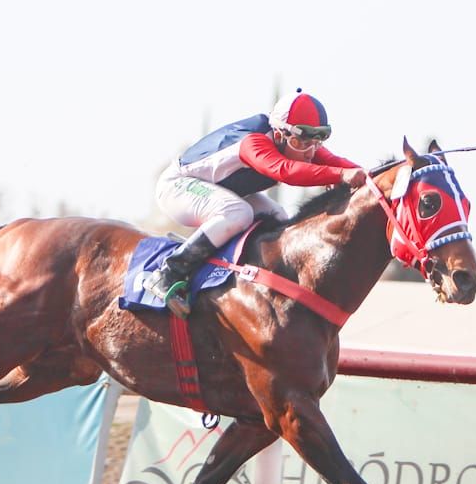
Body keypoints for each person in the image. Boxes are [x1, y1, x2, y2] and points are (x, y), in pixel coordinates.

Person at [144, 89, 368, 317]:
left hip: (223, 190)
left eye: (316, 142)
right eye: (303, 142)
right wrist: (339, 176)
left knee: (281, 219)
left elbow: (338, 164)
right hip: (178, 186)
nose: (310, 151)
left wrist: (375, 179)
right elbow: (285, 171)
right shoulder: (253, 142)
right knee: (238, 213)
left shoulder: (297, 142)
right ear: (280, 134)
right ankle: (169, 272)